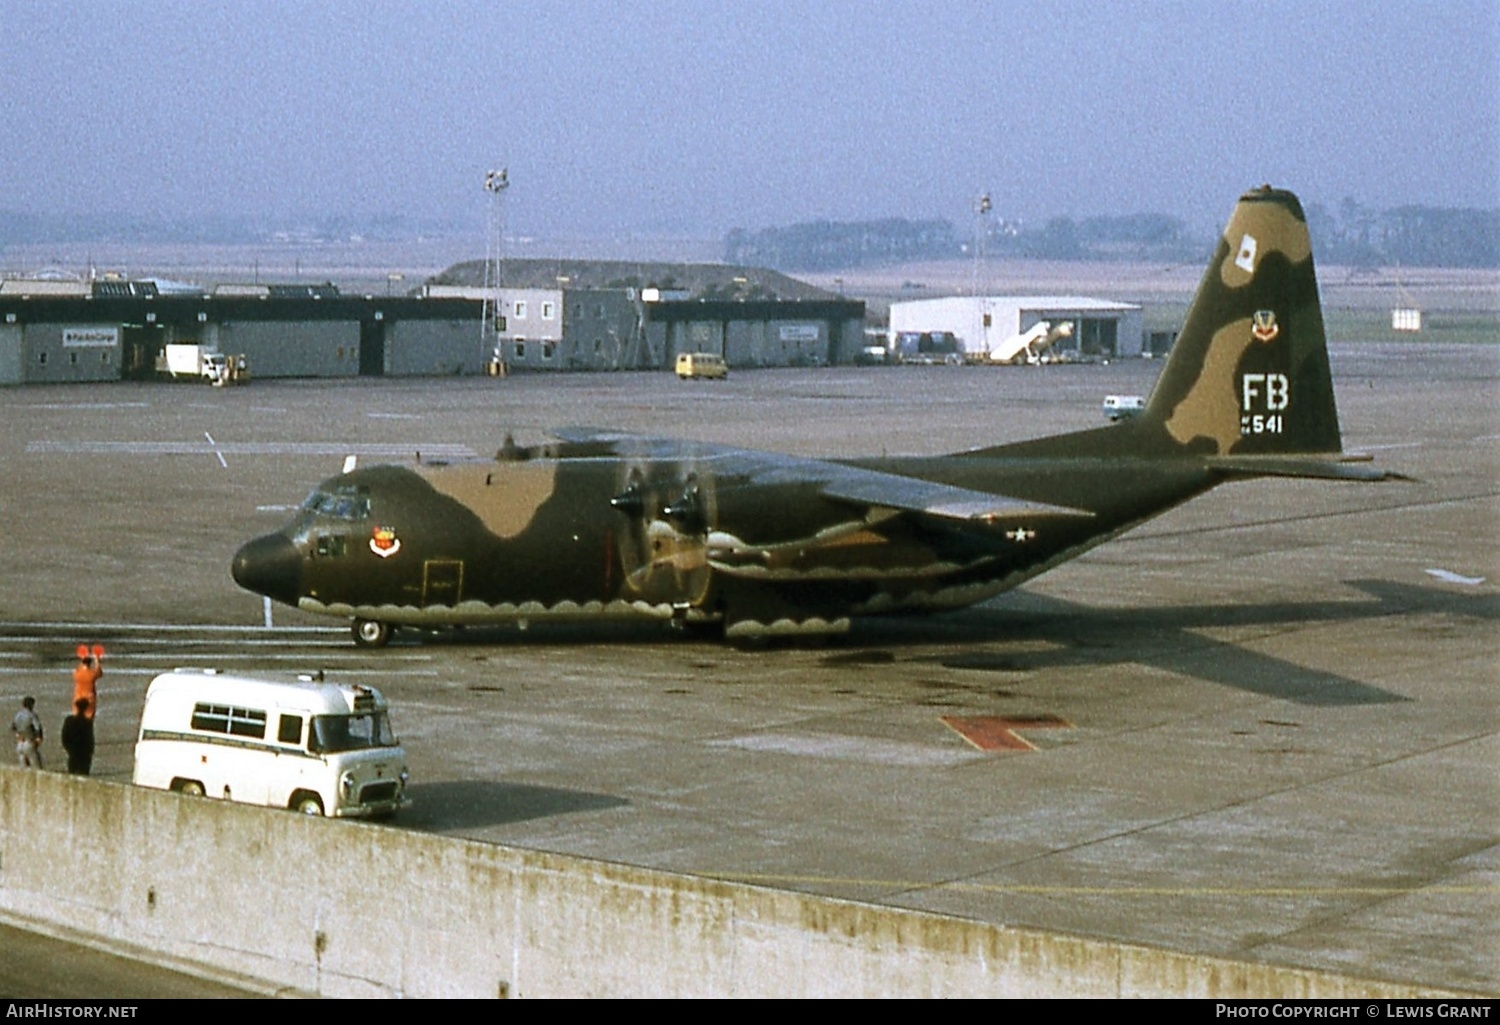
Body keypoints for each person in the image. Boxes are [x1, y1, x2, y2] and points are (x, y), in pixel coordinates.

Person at [61, 698, 95, 776]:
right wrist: (89, 753)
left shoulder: (69, 721)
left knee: (72, 775)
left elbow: (64, 737)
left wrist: (69, 749)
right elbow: (90, 740)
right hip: (84, 755)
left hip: (73, 752)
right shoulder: (87, 723)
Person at [12, 696, 44, 769]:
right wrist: (39, 738)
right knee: (36, 766)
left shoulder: (18, 715)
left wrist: (18, 735)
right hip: (29, 742)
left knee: (23, 767)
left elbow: (13, 727)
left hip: (19, 743)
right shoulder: (32, 715)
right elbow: (38, 728)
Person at [73, 651, 101, 720]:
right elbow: (100, 672)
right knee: (89, 720)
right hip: (89, 699)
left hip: (78, 698)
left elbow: (77, 669)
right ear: (90, 664)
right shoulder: (92, 674)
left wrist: (82, 658)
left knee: (77, 719)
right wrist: (97, 660)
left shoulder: (76, 674)